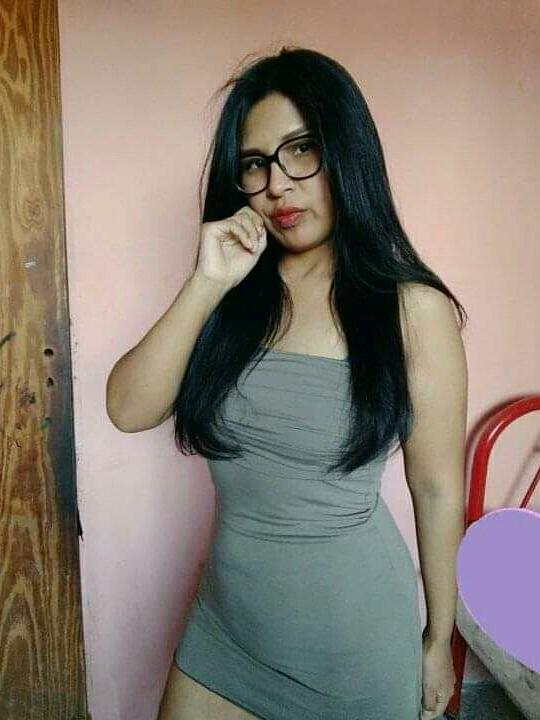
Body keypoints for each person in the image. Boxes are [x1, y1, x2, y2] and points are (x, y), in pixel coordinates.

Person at [106, 46, 468, 720]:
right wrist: (206, 281)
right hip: (226, 631)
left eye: (302, 150)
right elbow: (128, 409)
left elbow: (438, 487)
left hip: (353, 648)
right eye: (255, 163)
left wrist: (437, 639)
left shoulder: (411, 309)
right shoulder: (232, 295)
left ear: (347, 154)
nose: (277, 184)